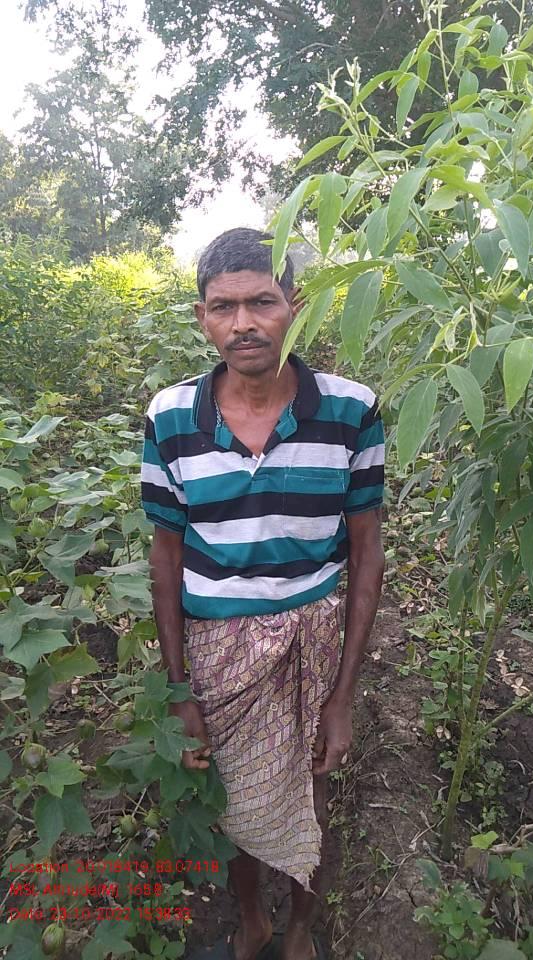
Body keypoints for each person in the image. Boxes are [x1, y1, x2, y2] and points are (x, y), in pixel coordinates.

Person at [140, 227, 385, 960]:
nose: (243, 323)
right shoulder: (171, 418)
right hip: (220, 648)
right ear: (202, 318)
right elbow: (166, 557)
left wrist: (343, 696)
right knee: (236, 799)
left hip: (314, 640)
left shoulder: (351, 412)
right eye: (224, 307)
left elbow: (367, 553)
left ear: (294, 307)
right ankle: (251, 920)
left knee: (313, 789)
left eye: (262, 302)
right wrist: (179, 689)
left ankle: (301, 926)